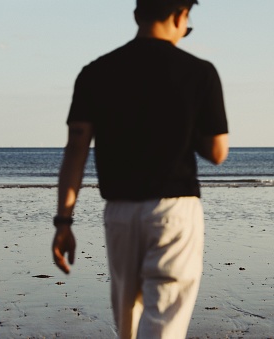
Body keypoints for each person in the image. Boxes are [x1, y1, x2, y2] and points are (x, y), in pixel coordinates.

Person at [51, 0, 228, 337]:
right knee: (163, 325)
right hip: (174, 211)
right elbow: (218, 152)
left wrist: (64, 222)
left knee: (127, 322)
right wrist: (184, 125)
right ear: (180, 15)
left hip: (119, 213)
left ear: (137, 15)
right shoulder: (199, 72)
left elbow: (75, 151)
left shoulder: (95, 72)